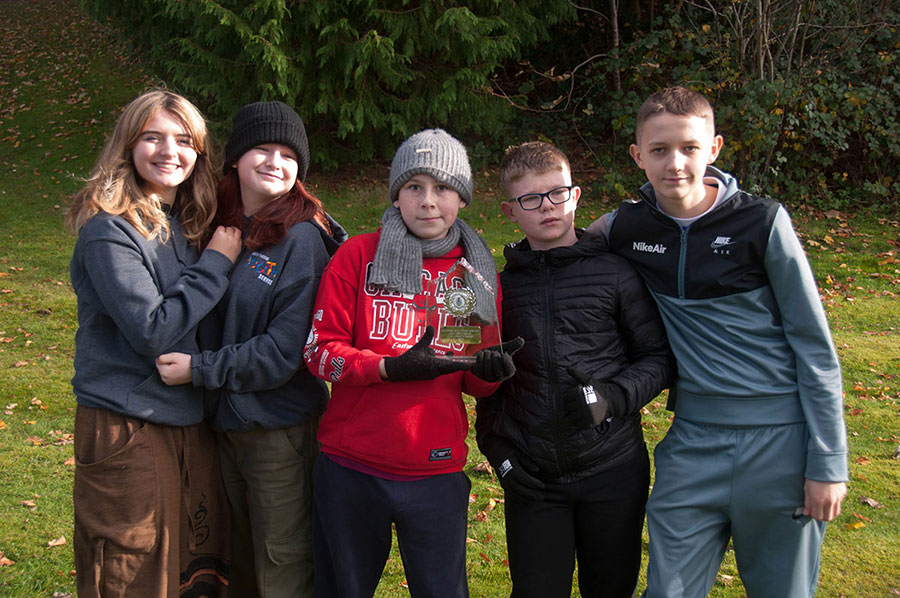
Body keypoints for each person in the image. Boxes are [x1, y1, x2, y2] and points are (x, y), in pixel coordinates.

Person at [587, 86, 848, 597]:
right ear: (638, 156)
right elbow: (559, 249)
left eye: (689, 147)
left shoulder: (763, 223)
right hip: (691, 442)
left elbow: (814, 347)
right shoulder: (625, 225)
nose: (675, 164)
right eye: (659, 151)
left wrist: (828, 464)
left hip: (782, 445)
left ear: (715, 148)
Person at [303, 128, 522, 598]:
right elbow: (319, 354)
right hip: (351, 466)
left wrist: (486, 377)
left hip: (434, 471)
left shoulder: (475, 273)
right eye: (414, 187)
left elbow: (471, 378)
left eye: (442, 188)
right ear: (396, 196)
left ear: (461, 199)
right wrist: (387, 368)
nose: (428, 201)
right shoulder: (356, 255)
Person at [154, 101, 347, 597]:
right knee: (236, 559)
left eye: (288, 154)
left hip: (277, 429)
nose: (274, 162)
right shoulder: (219, 225)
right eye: (262, 148)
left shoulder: (302, 240)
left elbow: (285, 352)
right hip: (224, 426)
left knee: (281, 564)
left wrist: (200, 369)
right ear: (236, 158)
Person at [474, 141, 675, 598]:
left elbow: (657, 358)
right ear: (510, 210)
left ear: (576, 195)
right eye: (531, 199)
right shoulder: (499, 290)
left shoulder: (616, 274)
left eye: (557, 193)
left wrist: (613, 397)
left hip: (613, 470)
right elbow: (490, 386)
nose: (547, 207)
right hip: (533, 478)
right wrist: (500, 455)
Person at [66, 90, 242, 598]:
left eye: (184, 140)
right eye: (153, 137)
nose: (170, 150)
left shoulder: (188, 227)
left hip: (189, 420)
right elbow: (152, 329)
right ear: (128, 145)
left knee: (191, 569)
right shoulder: (110, 232)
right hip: (126, 423)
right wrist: (217, 264)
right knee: (131, 569)